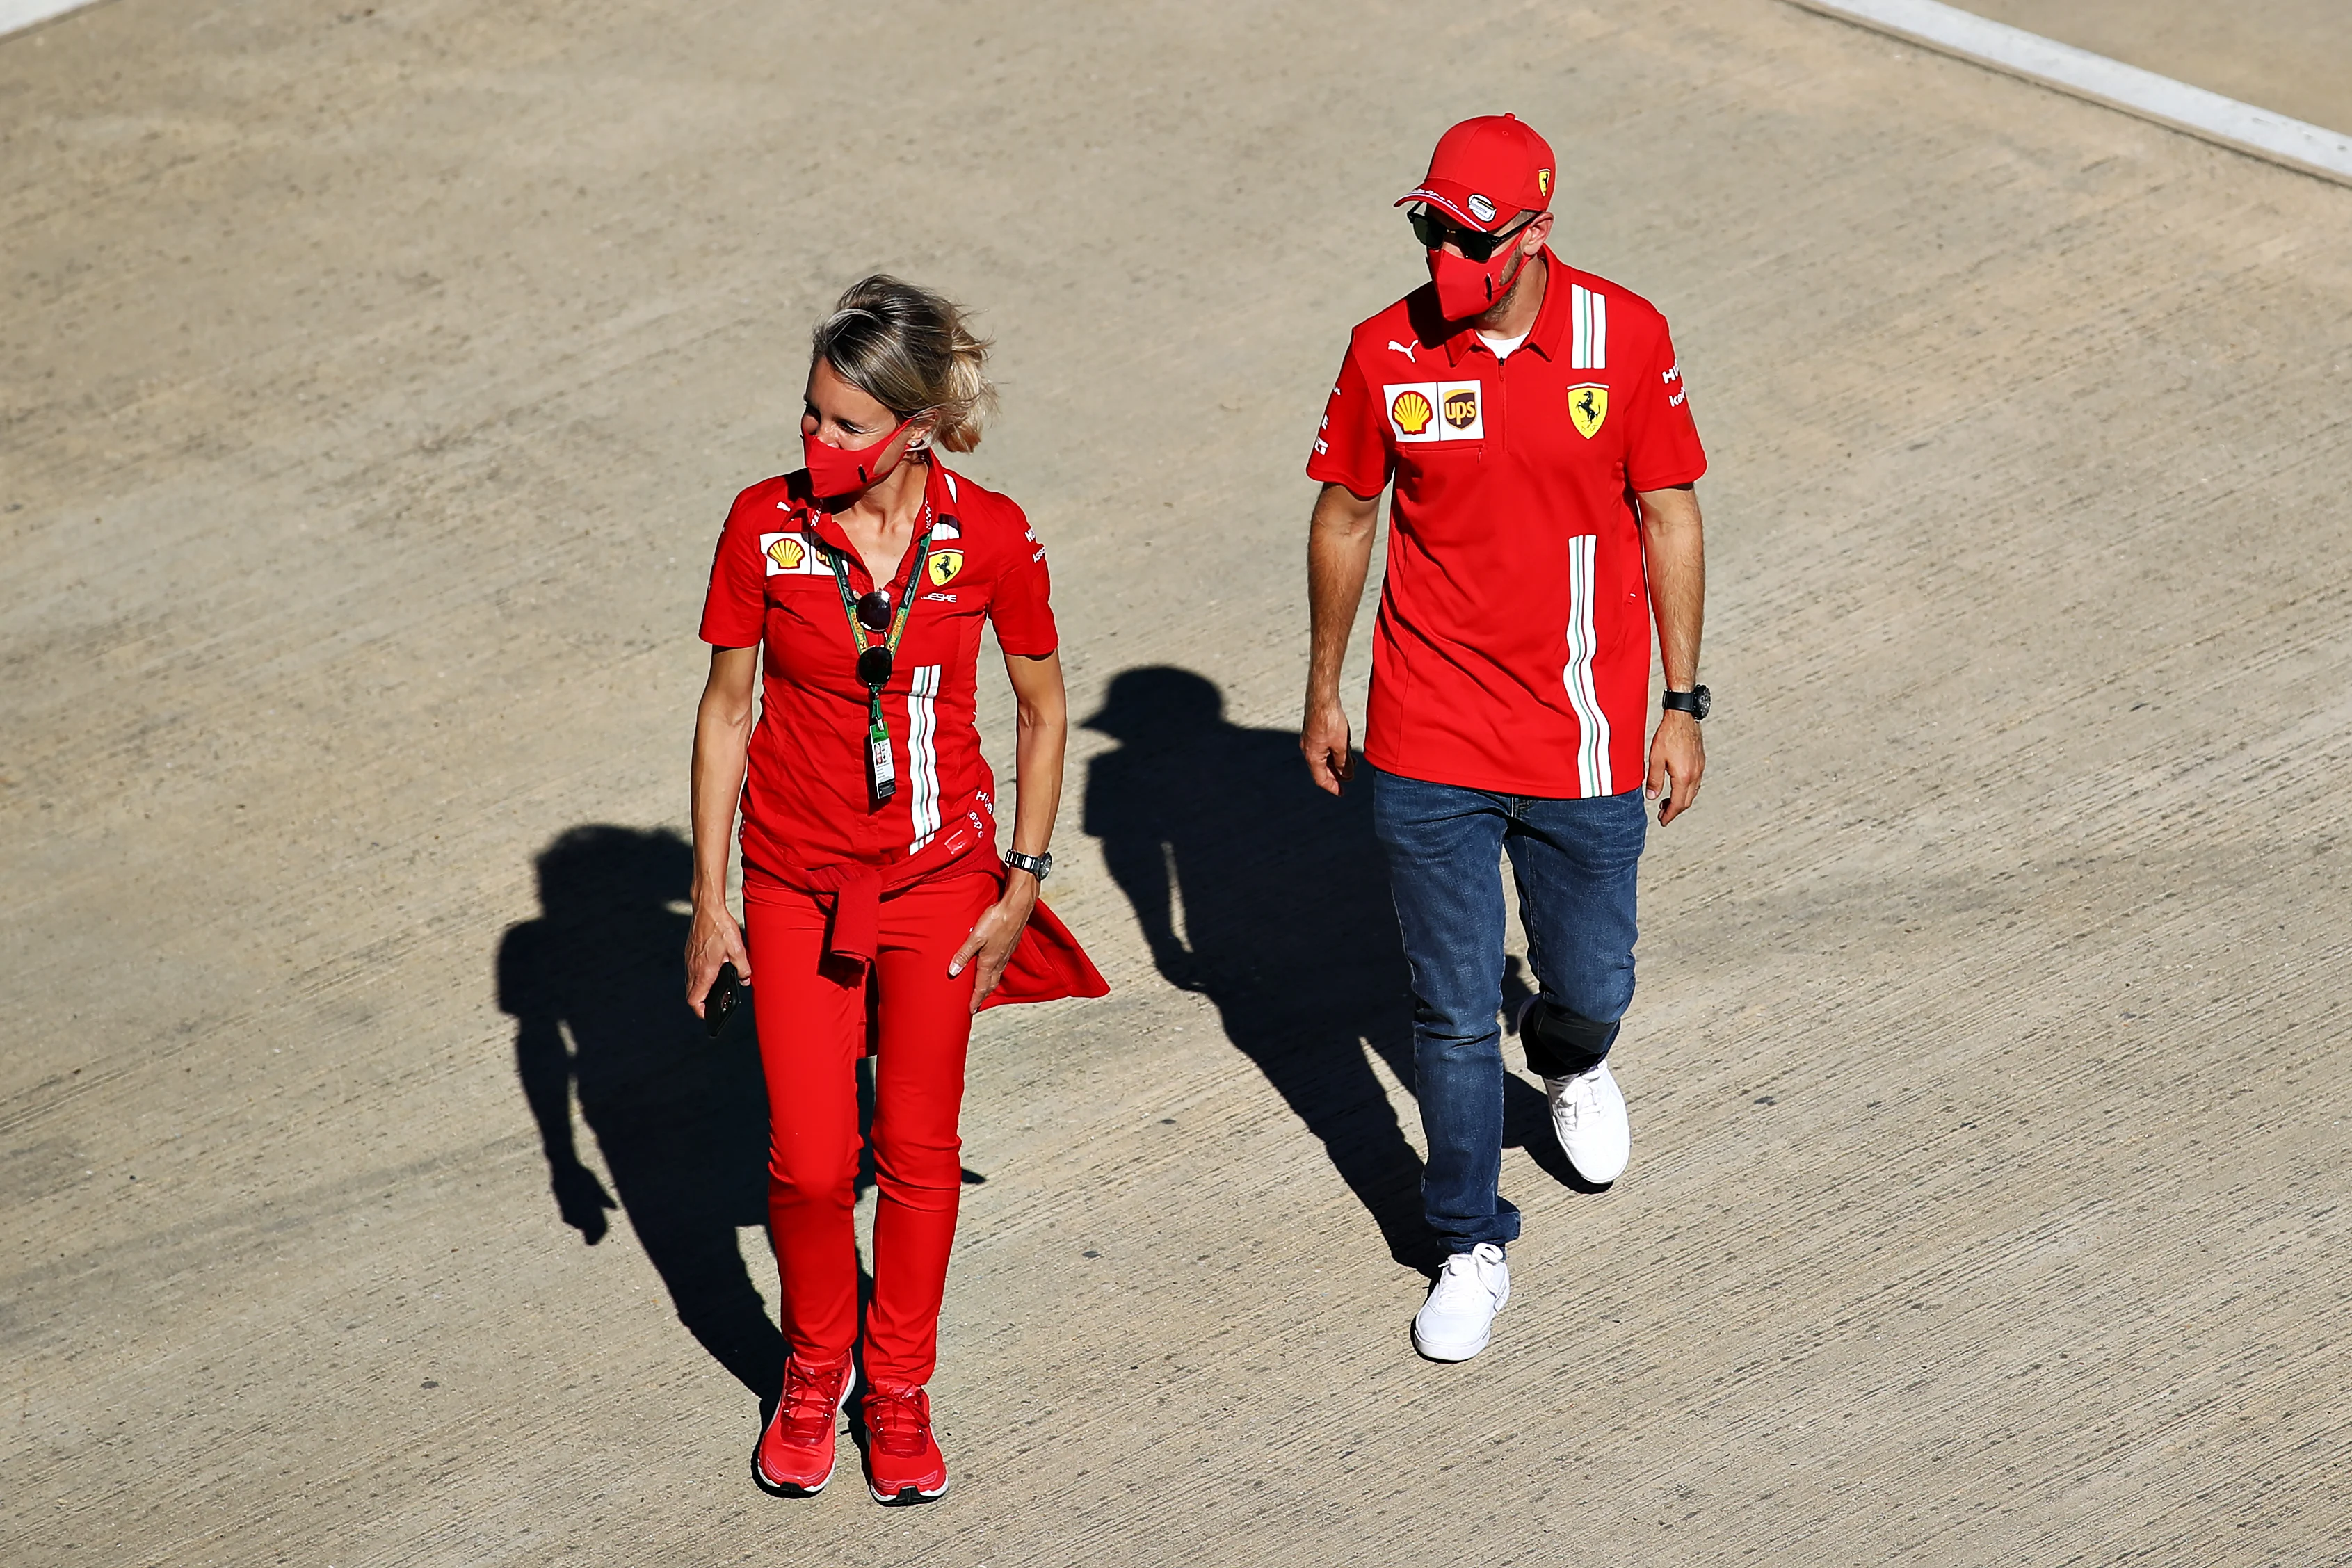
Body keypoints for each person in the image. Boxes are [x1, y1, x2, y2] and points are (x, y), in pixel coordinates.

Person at [686, 275, 1105, 1504]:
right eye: (809, 415)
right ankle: (814, 1371)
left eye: (844, 426)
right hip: (794, 879)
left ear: (914, 431)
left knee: (917, 1153)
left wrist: (1022, 877)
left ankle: (899, 1387)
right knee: (812, 1165)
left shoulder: (993, 537)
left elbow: (1041, 709)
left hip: (939, 884)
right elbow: (725, 712)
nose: (815, 442)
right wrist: (711, 898)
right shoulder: (761, 525)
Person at [1300, 115, 1711, 1361]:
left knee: (1591, 979)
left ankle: (1573, 1058)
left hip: (1582, 729)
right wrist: (1326, 686)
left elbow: (1668, 516)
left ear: (1536, 232)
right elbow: (1343, 518)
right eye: (1429, 227)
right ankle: (1466, 1240)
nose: (1445, 256)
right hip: (1426, 730)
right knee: (1449, 1005)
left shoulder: (1623, 338)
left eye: (1470, 235)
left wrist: (1681, 705)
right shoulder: (1385, 350)